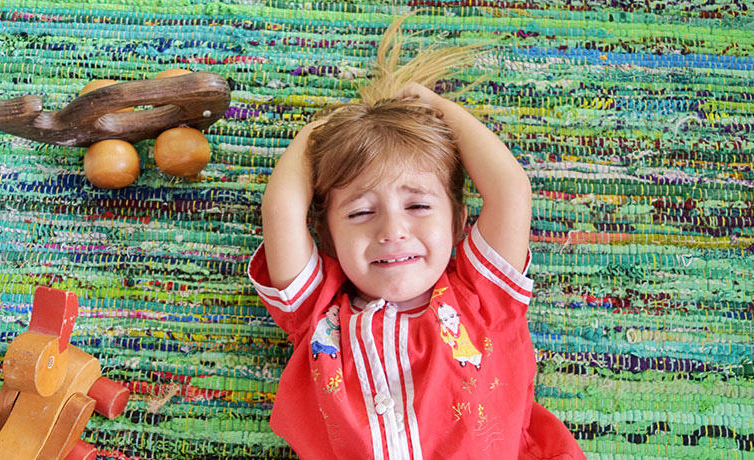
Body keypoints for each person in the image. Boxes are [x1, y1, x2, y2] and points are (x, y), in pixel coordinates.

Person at [248, 12, 586, 460]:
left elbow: (510, 190)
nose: (392, 231)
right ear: (326, 239)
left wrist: (437, 107)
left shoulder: (482, 297)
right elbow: (281, 209)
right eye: (361, 212)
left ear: (458, 222)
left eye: (419, 206)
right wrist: (313, 137)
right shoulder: (318, 315)